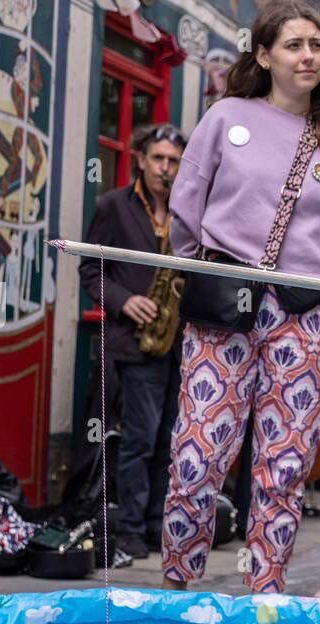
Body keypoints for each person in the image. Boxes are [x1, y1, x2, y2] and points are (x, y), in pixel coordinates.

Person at [162, 0, 320, 593]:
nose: (308, 56)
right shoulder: (227, 115)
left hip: (308, 312)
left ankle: (265, 594)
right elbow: (187, 203)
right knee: (196, 457)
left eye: (316, 45)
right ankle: (179, 585)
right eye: (293, 45)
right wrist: (195, 265)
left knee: (283, 466)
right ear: (263, 55)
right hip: (225, 300)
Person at [80, 122, 186, 558]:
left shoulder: (186, 211)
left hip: (179, 342)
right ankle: (130, 529)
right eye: (158, 159)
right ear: (140, 160)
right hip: (136, 342)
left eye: (174, 162)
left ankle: (160, 526)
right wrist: (125, 301)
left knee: (172, 441)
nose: (165, 168)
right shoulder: (114, 206)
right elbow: (90, 270)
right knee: (140, 440)